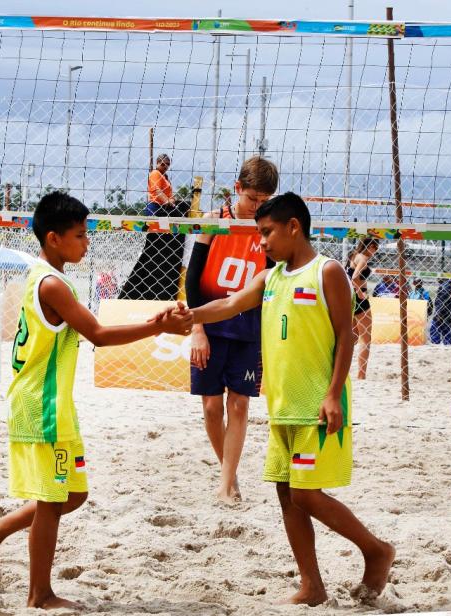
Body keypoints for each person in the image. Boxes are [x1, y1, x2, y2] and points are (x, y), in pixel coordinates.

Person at [0, 192, 191, 610]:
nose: (86, 242)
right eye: (79, 234)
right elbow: (99, 336)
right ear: (53, 238)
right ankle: (40, 594)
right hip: (42, 403)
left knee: (72, 495)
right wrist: (157, 326)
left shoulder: (46, 276)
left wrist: (156, 323)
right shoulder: (52, 283)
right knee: (55, 500)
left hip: (52, 402)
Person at [190, 193, 395, 606]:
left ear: (293, 228)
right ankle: (311, 585)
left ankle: (376, 550)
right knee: (286, 493)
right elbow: (229, 303)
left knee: (305, 493)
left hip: (317, 406)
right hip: (282, 406)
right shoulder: (271, 277)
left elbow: (346, 336)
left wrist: (334, 393)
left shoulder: (328, 272)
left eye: (266, 233)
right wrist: (189, 316)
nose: (261, 242)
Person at [185, 156, 278, 504]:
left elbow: (271, 281)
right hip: (210, 320)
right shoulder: (214, 222)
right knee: (211, 407)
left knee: (238, 405)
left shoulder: (268, 230)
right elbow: (192, 282)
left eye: (265, 201)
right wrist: (198, 329)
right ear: (238, 189)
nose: (258, 206)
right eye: (253, 199)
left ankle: (225, 484)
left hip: (248, 327)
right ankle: (230, 472)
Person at [346, 238, 380, 380]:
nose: (375, 253)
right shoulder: (364, 258)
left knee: (352, 337)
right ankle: (361, 375)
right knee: (366, 338)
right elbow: (354, 278)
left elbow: (348, 275)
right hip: (359, 299)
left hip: (348, 298)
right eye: (375, 249)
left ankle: (343, 368)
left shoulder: (353, 255)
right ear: (370, 246)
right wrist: (361, 293)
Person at [429, 279, 451, 345]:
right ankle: (447, 345)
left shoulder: (445, 287)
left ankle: (435, 344)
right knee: (446, 331)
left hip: (442, 313)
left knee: (435, 330)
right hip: (448, 312)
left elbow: (442, 301)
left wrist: (438, 313)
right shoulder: (449, 286)